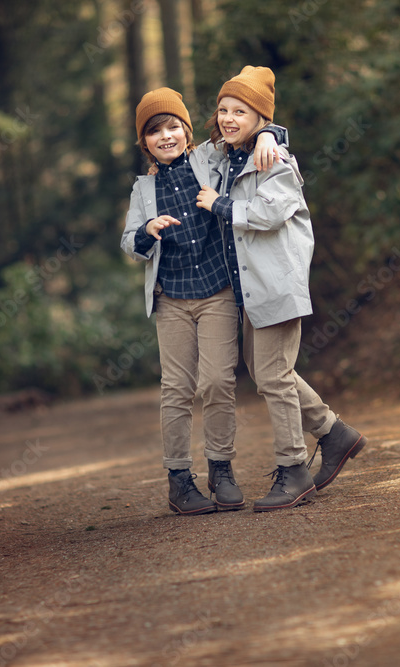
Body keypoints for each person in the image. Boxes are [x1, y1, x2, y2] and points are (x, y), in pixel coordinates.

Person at [196, 66, 368, 512]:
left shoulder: (276, 161)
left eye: (241, 111)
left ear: (260, 117)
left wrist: (221, 203)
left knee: (272, 375)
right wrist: (271, 130)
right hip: (249, 287)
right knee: (268, 370)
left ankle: (294, 470)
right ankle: (334, 433)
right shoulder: (227, 156)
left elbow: (268, 213)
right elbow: (187, 155)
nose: (228, 118)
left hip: (276, 284)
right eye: (223, 109)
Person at [120, 87, 285, 515]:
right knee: (177, 388)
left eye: (173, 127)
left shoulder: (210, 159)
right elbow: (129, 242)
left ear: (187, 131)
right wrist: (146, 231)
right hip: (171, 299)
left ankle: (221, 468)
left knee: (217, 382)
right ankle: (179, 481)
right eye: (155, 132)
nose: (166, 136)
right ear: (145, 142)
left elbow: (243, 131)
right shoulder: (143, 189)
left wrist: (271, 134)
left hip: (218, 292)